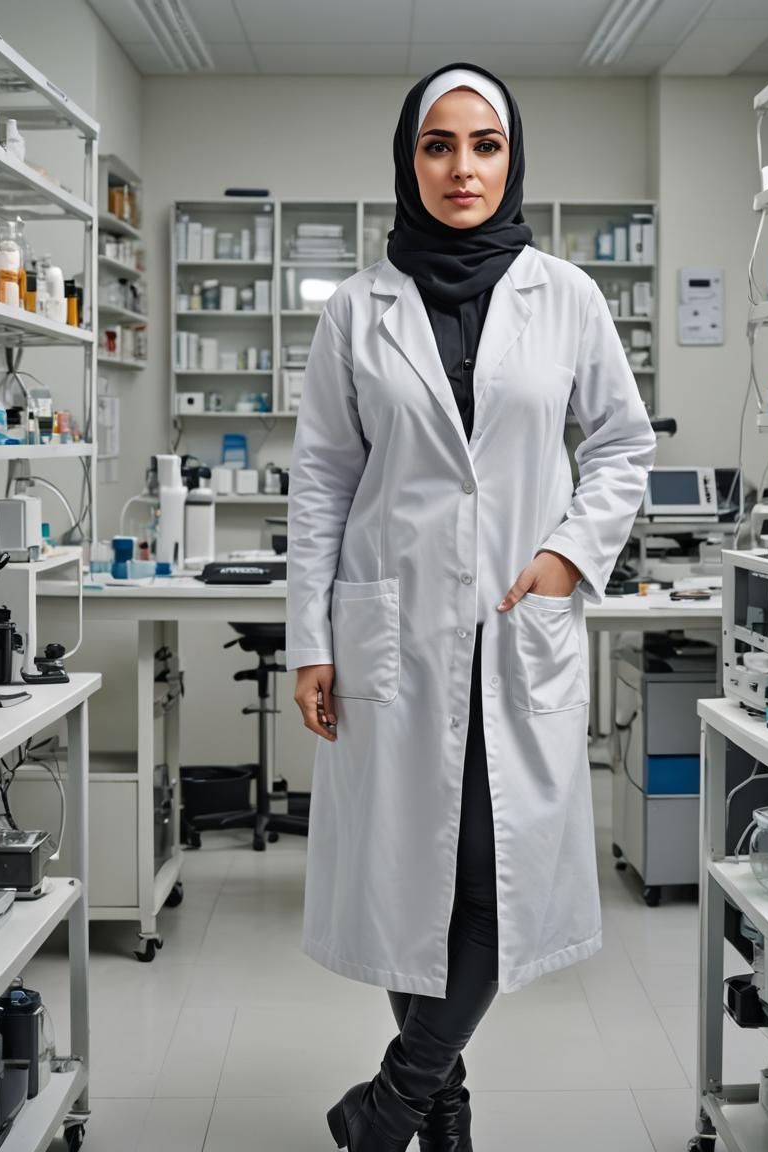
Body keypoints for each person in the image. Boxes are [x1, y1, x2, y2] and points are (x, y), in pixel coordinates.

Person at [285, 62, 657, 1152]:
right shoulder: (356, 309)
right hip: (388, 631)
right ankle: (442, 1115)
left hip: (514, 623)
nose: (462, 167)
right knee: (410, 884)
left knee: (493, 889)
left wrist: (567, 556)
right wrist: (310, 639)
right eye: (437, 145)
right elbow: (321, 481)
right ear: (408, 161)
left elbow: (622, 445)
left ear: (511, 158)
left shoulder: (566, 295)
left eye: (483, 144)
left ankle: (387, 1106)